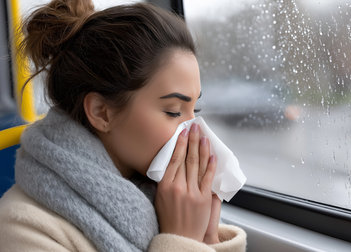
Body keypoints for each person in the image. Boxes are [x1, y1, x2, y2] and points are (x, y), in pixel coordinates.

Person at [0, 0, 246, 251]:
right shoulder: (22, 229)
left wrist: (208, 239)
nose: (194, 130)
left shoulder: (174, 201)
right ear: (101, 113)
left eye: (195, 109)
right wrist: (183, 241)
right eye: (173, 111)